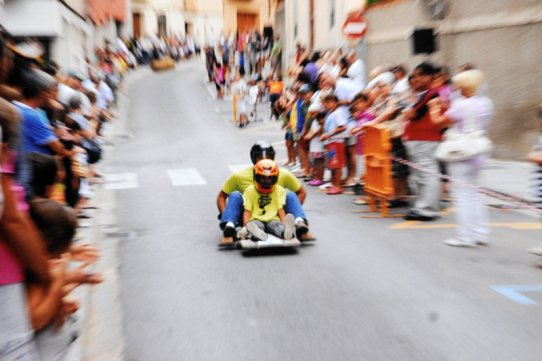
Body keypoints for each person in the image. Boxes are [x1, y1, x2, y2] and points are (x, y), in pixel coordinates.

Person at [427, 70, 494, 247]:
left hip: (460, 153)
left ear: (463, 87)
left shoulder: (461, 106)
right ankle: (481, 233)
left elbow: (438, 123)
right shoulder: (485, 103)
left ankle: (465, 236)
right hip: (478, 150)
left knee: (462, 195)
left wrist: (433, 107)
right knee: (474, 193)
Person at [216, 142, 312, 246]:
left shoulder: (283, 174)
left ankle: (299, 224)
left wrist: (290, 210)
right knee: (235, 195)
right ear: (254, 159)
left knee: (290, 195)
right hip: (250, 214)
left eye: (269, 158)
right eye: (261, 158)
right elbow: (222, 196)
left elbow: (302, 193)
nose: (265, 161)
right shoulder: (239, 176)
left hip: (275, 214)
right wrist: (225, 214)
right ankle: (229, 228)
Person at [402, 62, 442, 221]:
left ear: (428, 77)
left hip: (425, 139)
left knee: (427, 174)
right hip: (419, 139)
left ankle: (427, 209)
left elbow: (412, 114)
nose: (415, 79)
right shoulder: (426, 94)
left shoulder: (432, 94)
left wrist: (407, 110)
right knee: (420, 175)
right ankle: (422, 205)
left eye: (418, 75)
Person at [239, 159, 297, 243]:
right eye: (262, 178)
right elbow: (247, 211)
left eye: (270, 179)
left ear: (275, 178)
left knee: (277, 226)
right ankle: (255, 234)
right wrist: (245, 225)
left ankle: (286, 232)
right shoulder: (250, 190)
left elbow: (280, 210)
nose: (266, 182)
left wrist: (284, 224)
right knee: (255, 226)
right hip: (256, 219)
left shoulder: (279, 190)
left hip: (273, 219)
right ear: (256, 177)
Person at [321, 94, 348, 195]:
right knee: (332, 165)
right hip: (331, 142)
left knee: (337, 165)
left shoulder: (337, 113)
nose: (326, 105)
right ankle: (334, 184)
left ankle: (338, 186)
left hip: (336, 142)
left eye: (328, 103)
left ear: (335, 103)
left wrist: (328, 134)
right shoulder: (332, 113)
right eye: (325, 103)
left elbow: (342, 127)